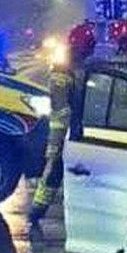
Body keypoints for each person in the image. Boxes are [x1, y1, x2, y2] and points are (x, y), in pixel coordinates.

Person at [28, 22, 94, 226]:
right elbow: (60, 111)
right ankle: (36, 212)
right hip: (64, 131)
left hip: (80, 129)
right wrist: (55, 145)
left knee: (76, 174)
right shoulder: (63, 69)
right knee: (54, 171)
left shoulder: (82, 66)